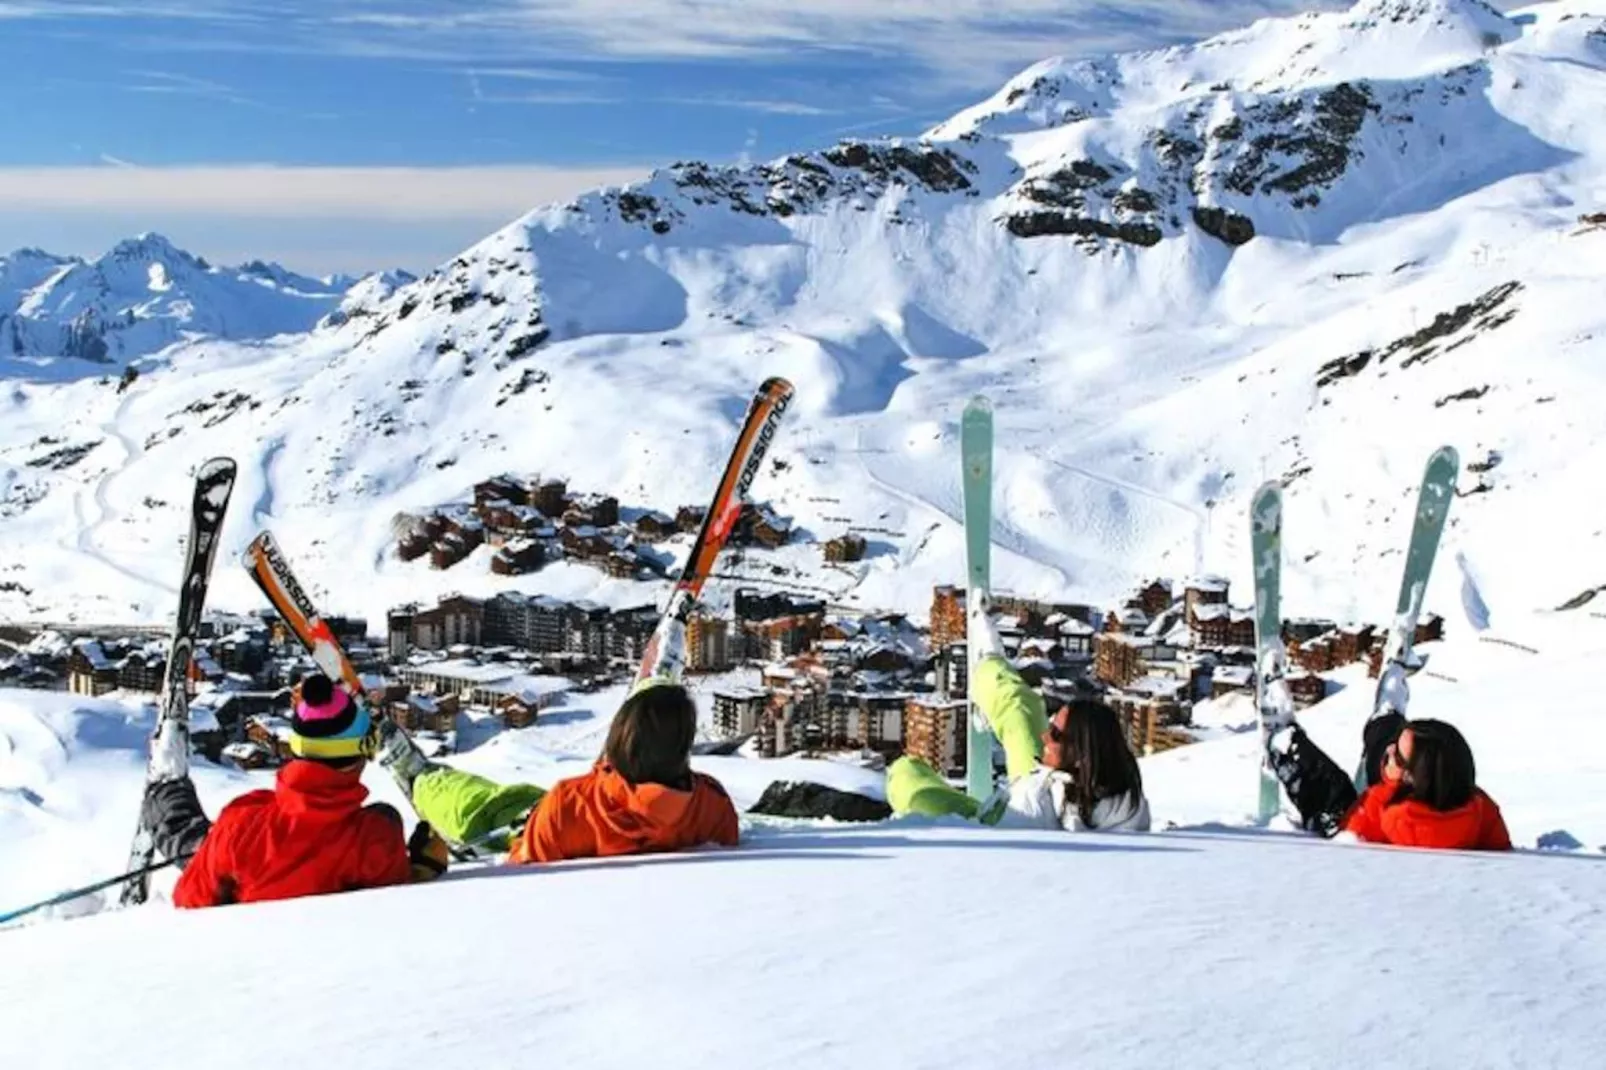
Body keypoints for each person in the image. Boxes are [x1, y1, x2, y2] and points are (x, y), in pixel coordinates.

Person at [142, 673, 449, 909]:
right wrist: (425, 867)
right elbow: (393, 895)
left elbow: (189, 901)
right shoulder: (376, 835)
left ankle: (166, 787)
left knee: (195, 839)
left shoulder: (242, 820)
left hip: (238, 876)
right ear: (363, 753)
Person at [388, 677, 740, 863]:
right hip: (583, 806)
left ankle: (420, 777)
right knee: (503, 799)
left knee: (474, 806)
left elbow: (524, 862)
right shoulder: (712, 804)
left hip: (528, 825)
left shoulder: (569, 801)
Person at [887, 592, 1150, 832]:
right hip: (1049, 780)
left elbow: (991, 841)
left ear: (1082, 755)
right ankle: (990, 661)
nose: (1046, 736)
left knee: (909, 779)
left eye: (1056, 734)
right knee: (1022, 711)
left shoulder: (1031, 814)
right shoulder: (1126, 798)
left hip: (989, 819)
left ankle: (989, 663)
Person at [1270, 710, 1512, 850]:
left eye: (1397, 755)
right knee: (1384, 745)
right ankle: (1386, 720)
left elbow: (1345, 849)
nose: (1391, 752)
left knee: (1328, 790)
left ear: (1414, 778)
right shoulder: (1480, 809)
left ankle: (1281, 741)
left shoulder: (1381, 813)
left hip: (1354, 824)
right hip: (1407, 796)